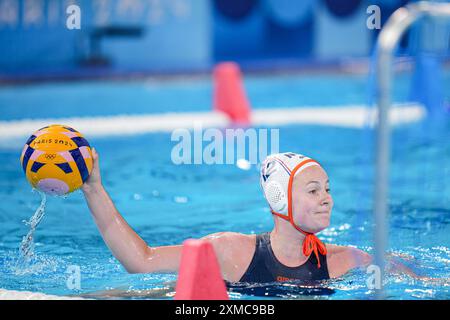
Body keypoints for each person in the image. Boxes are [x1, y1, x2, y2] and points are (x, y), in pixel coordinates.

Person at [82, 149, 374, 283]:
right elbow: (141, 261)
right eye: (313, 191)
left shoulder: (347, 261)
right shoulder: (230, 251)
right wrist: (93, 189)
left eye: (327, 189)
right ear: (278, 198)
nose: (327, 198)